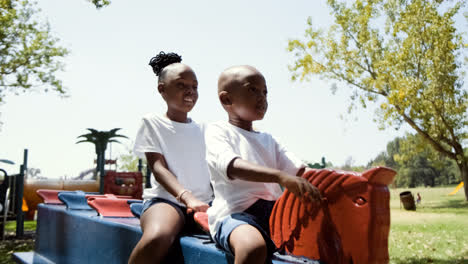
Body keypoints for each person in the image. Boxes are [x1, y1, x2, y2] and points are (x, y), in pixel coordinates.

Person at [205, 65, 322, 264]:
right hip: (236, 214)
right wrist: (279, 176)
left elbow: (300, 171)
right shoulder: (218, 131)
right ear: (227, 99)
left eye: (265, 92)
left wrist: (334, 178)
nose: (262, 97)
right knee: (252, 248)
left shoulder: (268, 139)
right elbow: (232, 166)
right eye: (253, 90)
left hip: (275, 215)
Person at [128, 52, 213, 264]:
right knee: (158, 237)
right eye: (181, 85)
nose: (190, 91)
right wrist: (187, 197)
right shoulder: (152, 123)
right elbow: (158, 168)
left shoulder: (204, 130)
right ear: (162, 89)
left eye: (194, 86)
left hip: (206, 204)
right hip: (167, 202)